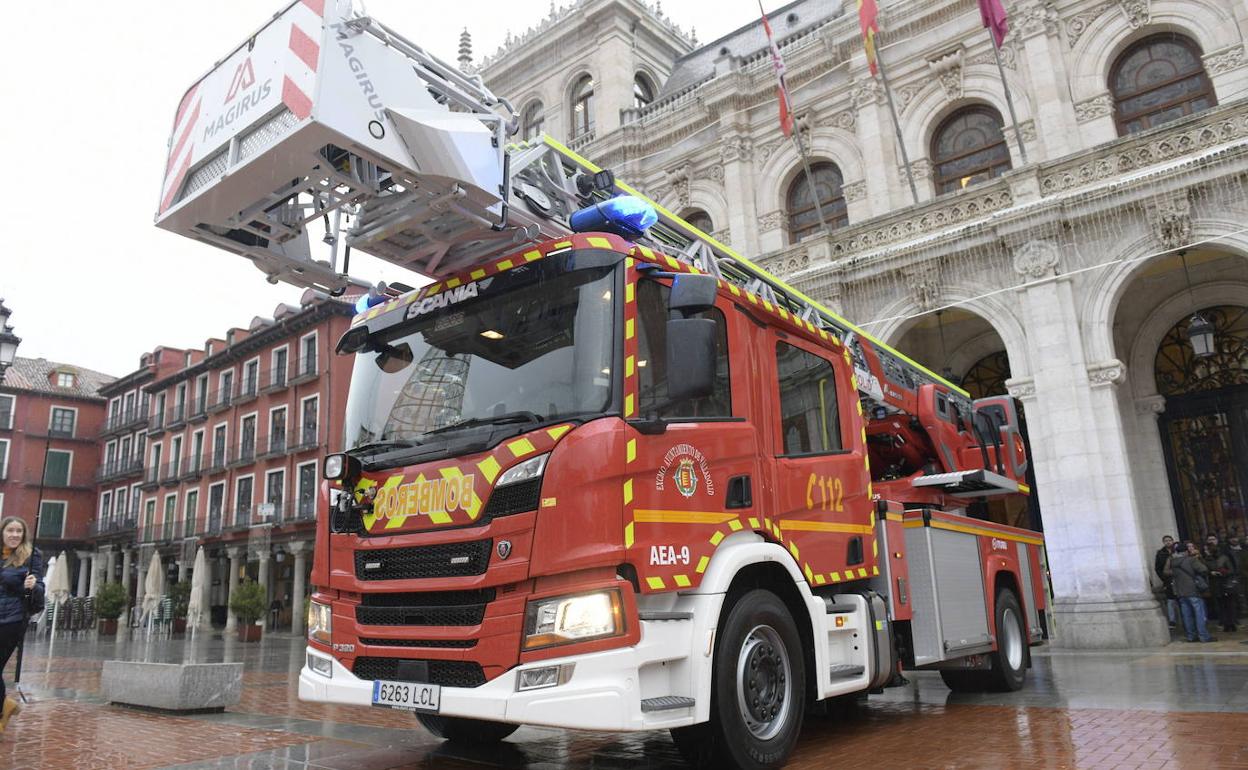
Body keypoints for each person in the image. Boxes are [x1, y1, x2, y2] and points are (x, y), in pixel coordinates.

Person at [0, 516, 44, 734]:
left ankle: (1, 715)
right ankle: (5, 705)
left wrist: (34, 586)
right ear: (3, 532)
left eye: (19, 531)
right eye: (10, 530)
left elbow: (40, 589)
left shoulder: (31, 555)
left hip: (13, 619)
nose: (15, 535)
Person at [1167, 540, 1215, 643]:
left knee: (1187, 615)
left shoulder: (1173, 562)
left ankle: (1191, 636)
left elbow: (1168, 573)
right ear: (1186, 551)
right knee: (1199, 613)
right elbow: (1203, 569)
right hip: (1193, 590)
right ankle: (1203, 636)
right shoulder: (1191, 560)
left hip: (1181, 592)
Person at [1204, 540, 1238, 633]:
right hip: (1215, 585)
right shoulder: (1206, 560)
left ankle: (1232, 623)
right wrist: (1211, 573)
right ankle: (1226, 624)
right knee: (1221, 606)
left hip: (1226, 583)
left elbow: (1231, 570)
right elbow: (1206, 571)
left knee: (1230, 605)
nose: (1205, 551)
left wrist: (1222, 572)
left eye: (1206, 549)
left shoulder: (1223, 558)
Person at [1154, 535, 1178, 628]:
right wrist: (1164, 578)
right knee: (1170, 600)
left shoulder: (1177, 551)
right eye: (1166, 541)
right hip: (1168, 579)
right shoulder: (1160, 553)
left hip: (1179, 578)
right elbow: (1158, 568)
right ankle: (1172, 620)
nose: (1168, 542)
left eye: (1169, 540)